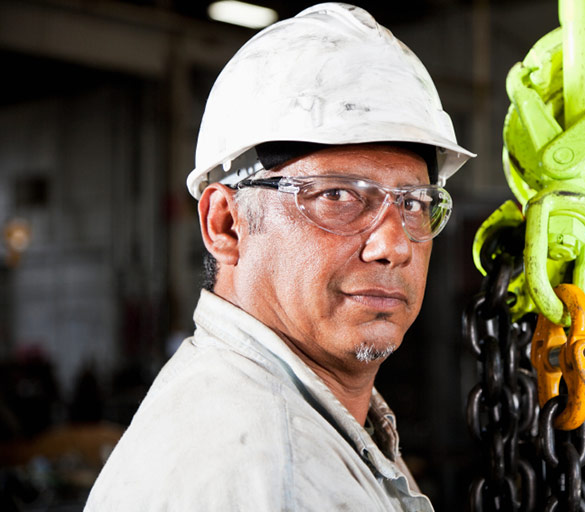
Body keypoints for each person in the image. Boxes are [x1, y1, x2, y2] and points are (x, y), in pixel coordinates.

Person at [85, 3, 474, 511]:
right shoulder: (272, 476)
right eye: (337, 195)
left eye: (414, 202)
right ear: (225, 225)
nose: (394, 245)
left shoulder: (304, 427)